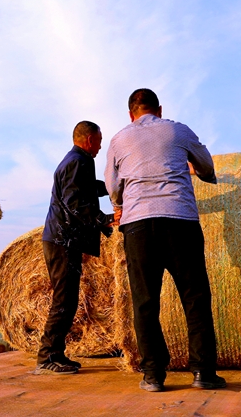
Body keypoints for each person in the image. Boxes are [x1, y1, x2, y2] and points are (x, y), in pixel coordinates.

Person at [104, 88, 226, 392]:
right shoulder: (178, 130)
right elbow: (207, 167)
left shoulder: (119, 139)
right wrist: (196, 170)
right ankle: (203, 372)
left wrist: (120, 202)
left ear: (131, 114)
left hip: (138, 226)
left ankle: (153, 375)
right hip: (180, 220)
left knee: (145, 303)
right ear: (159, 109)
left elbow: (112, 186)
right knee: (195, 298)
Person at [36, 121, 115, 375]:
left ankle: (56, 354)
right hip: (62, 241)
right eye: (99, 141)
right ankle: (46, 358)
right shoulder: (78, 161)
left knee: (68, 300)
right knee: (63, 300)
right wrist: (104, 219)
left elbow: (87, 189)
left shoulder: (76, 161)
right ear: (90, 139)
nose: (100, 147)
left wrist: (114, 186)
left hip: (62, 240)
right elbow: (75, 201)